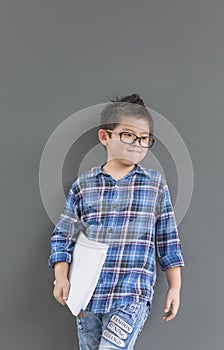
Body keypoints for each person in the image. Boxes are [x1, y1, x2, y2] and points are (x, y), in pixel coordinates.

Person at [48, 93, 185, 349]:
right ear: (105, 136)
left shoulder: (154, 185)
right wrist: (62, 277)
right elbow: (63, 236)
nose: (137, 144)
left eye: (144, 138)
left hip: (131, 293)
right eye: (128, 135)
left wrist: (175, 287)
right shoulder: (83, 186)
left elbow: (168, 238)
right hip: (87, 296)